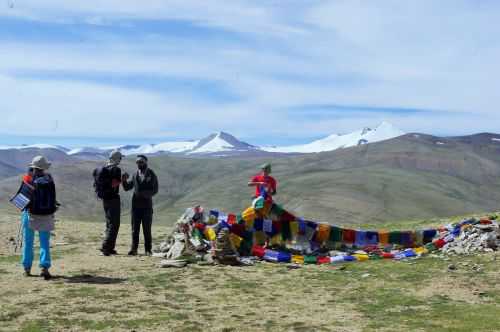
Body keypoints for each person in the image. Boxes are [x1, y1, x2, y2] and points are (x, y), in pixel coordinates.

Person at [22, 156, 58, 280]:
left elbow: (22, 199)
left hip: (30, 214)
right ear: (44, 168)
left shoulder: (28, 179)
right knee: (44, 243)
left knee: (28, 242)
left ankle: (27, 268)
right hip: (46, 215)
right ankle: (45, 267)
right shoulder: (49, 179)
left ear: (33, 167)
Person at [122, 155, 159, 256]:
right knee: (135, 229)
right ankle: (134, 249)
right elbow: (127, 187)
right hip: (135, 206)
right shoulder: (135, 175)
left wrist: (145, 194)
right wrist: (124, 180)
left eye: (141, 162)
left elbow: (155, 189)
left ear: (146, 162)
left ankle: (148, 250)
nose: (139, 164)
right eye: (137, 162)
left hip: (147, 206)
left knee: (147, 229)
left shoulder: (151, 174)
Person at [94, 150, 123, 256]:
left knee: (109, 223)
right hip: (113, 199)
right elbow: (114, 184)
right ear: (117, 159)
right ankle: (106, 247)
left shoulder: (105, 168)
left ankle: (110, 247)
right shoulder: (116, 169)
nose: (120, 160)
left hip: (105, 199)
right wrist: (122, 180)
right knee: (114, 224)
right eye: (120, 158)